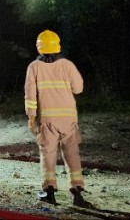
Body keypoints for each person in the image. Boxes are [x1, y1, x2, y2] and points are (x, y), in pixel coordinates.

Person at [24, 30, 87, 207]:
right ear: (58, 46)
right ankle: (77, 192)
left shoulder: (34, 67)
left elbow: (30, 95)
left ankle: (49, 192)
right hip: (68, 118)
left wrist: (31, 117)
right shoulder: (67, 65)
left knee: (48, 153)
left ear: (39, 47)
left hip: (48, 118)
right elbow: (78, 89)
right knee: (72, 153)